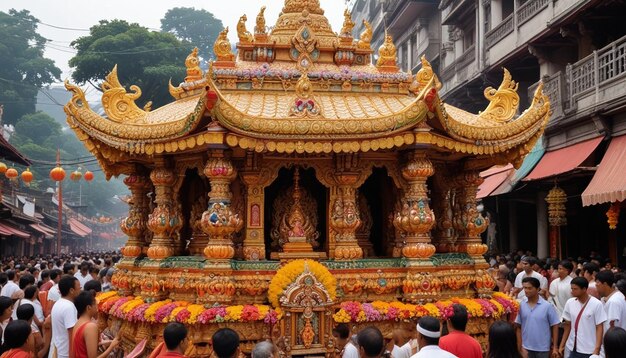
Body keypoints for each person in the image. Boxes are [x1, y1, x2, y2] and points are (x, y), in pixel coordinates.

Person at [559, 277, 606, 358]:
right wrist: (561, 345)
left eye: (575, 289)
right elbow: (567, 325)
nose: (572, 291)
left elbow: (599, 327)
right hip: (572, 347)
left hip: (589, 349)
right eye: (572, 288)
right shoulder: (570, 303)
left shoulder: (596, 304)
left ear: (584, 289)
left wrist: (597, 349)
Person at [514, 277, 559, 358]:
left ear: (538, 289)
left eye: (530, 288)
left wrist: (555, 347)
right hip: (526, 347)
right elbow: (518, 327)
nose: (526, 291)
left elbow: (555, 326)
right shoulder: (522, 305)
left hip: (543, 348)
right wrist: (520, 346)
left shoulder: (547, 306)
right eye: (525, 288)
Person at [71, 291, 119, 358]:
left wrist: (103, 343)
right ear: (88, 307)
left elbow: (83, 346)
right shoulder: (91, 327)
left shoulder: (78, 323)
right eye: (95, 304)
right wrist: (111, 347)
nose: (97, 307)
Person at [48, 276, 80, 358]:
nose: (80, 290)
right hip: (64, 353)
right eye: (79, 288)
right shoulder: (69, 307)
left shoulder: (58, 303)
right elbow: (71, 334)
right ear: (72, 290)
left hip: (58, 349)